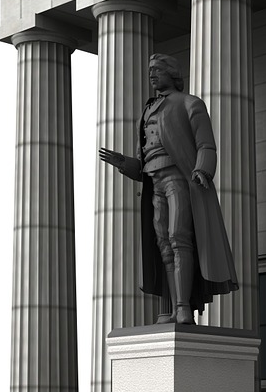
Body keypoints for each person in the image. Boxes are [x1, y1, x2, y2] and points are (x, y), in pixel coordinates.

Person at [98, 53, 237, 324]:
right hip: (154, 181)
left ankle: (184, 306)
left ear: (171, 74)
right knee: (163, 242)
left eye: (157, 70)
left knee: (178, 236)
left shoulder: (190, 104)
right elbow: (143, 160)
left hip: (178, 177)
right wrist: (124, 163)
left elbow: (205, 144)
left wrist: (202, 169)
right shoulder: (148, 110)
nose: (152, 75)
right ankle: (175, 307)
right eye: (150, 70)